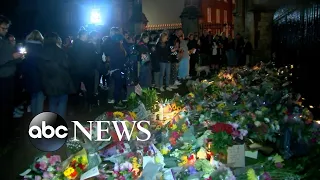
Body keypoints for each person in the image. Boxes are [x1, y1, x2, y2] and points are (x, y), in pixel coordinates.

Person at [0, 15, 24, 147]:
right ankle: (5, 137)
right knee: (4, 109)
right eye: (3, 28)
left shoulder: (4, 41)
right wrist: (11, 56)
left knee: (7, 108)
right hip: (2, 80)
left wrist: (18, 57)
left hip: (8, 79)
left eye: (6, 28)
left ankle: (8, 133)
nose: (5, 31)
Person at [38, 32, 75, 118]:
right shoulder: (60, 51)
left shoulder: (42, 52)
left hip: (48, 81)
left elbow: (40, 68)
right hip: (62, 80)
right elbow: (67, 65)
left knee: (52, 102)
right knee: (62, 102)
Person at [21, 30, 45, 117]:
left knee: (33, 97)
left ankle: (34, 117)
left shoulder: (26, 47)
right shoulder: (42, 48)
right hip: (40, 75)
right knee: (40, 97)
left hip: (29, 75)